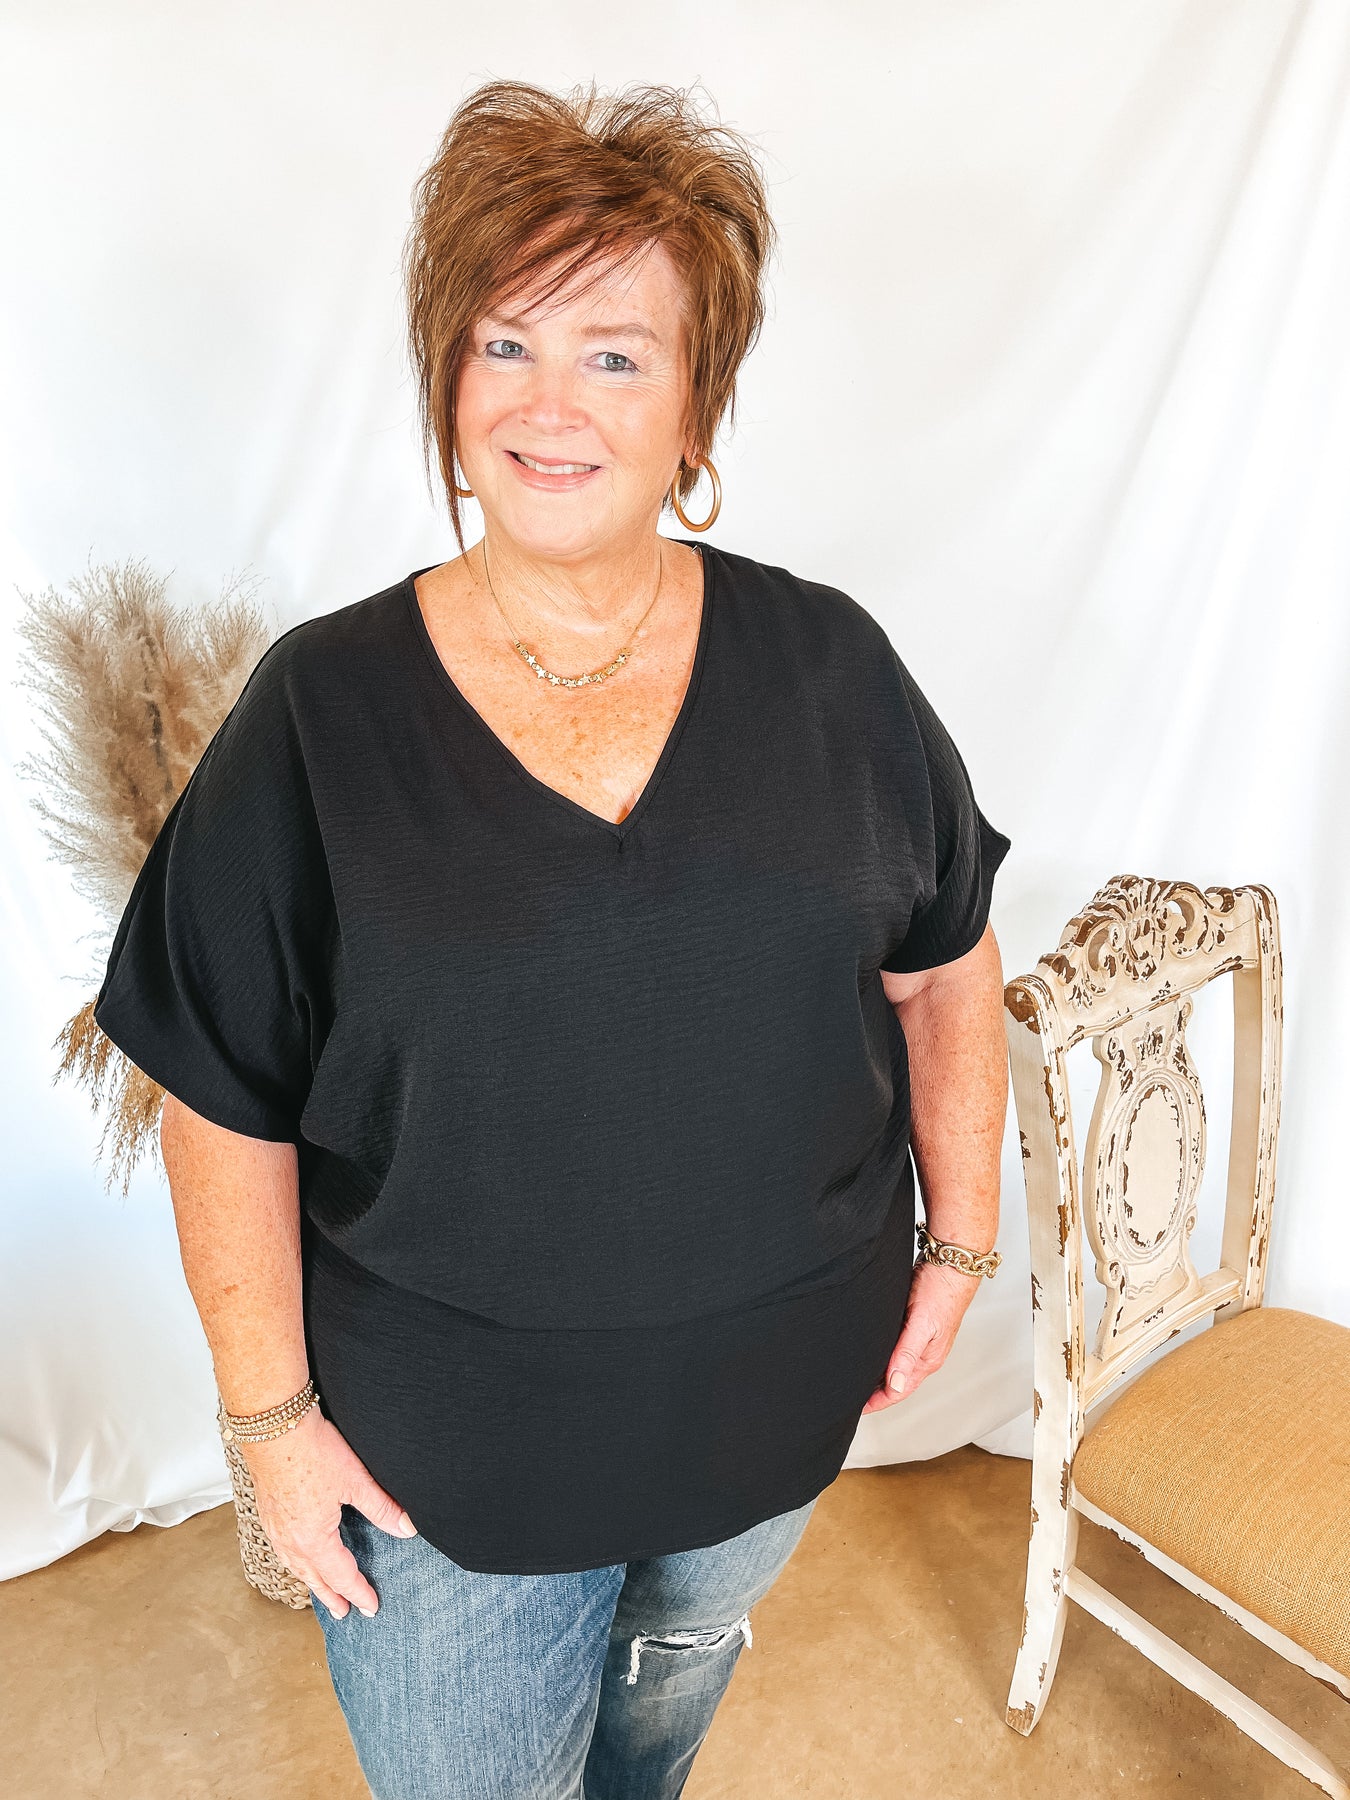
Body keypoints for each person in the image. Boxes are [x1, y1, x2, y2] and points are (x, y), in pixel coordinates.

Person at [93, 77, 1012, 1800]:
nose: (548, 404)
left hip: (769, 1407)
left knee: (654, 1723)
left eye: (613, 354)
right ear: (447, 384)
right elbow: (218, 1090)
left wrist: (959, 1241)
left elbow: (943, 958)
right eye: (503, 346)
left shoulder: (831, 670)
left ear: (693, 407)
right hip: (446, 1476)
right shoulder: (321, 711)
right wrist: (271, 1427)